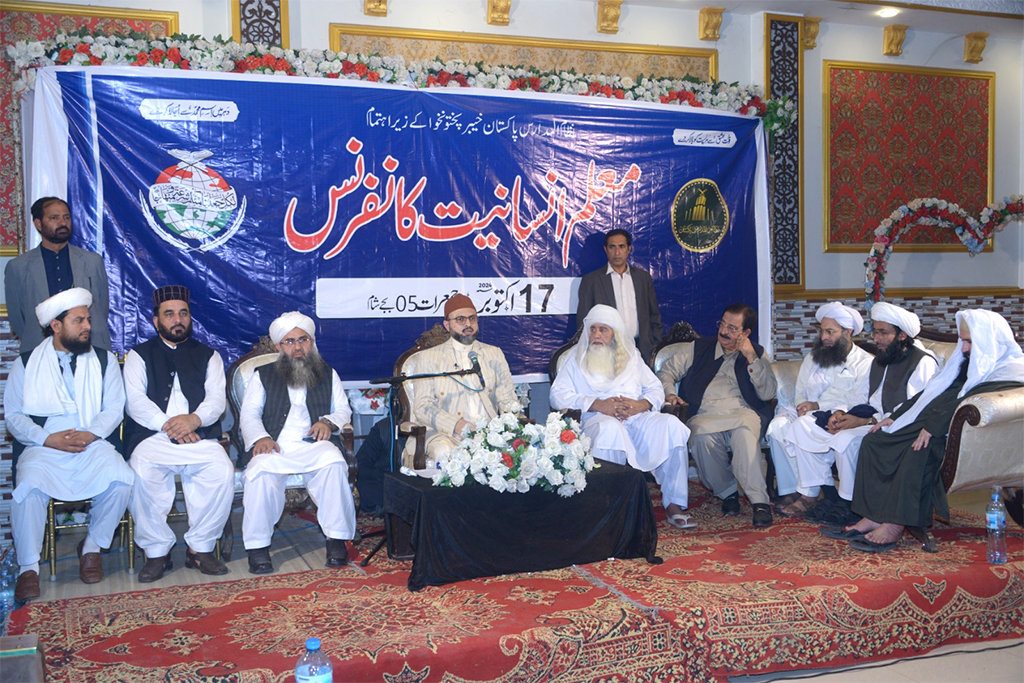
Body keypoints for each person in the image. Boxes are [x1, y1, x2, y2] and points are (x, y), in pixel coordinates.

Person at [843, 309, 1024, 552]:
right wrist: (895, 417)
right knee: (875, 441)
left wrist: (932, 428)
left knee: (917, 451)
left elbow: (968, 402)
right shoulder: (968, 362)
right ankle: (875, 514)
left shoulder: (1009, 371)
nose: (965, 349)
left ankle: (897, 522)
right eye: (963, 341)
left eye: (970, 342)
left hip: (951, 432)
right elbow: (931, 392)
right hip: (930, 420)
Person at [4, 288, 133, 602]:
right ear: (56, 326)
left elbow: (114, 408)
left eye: (87, 319)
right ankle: (29, 567)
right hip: (43, 446)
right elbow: (14, 416)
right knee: (29, 488)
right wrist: (47, 438)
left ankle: (91, 548)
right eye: (79, 320)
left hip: (91, 441)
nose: (87, 325)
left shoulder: (104, 360)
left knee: (121, 478)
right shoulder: (26, 364)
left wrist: (90, 435)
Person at [784, 302, 940, 527]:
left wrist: (866, 420)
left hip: (899, 427)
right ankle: (825, 495)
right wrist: (841, 413)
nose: (877, 339)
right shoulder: (881, 359)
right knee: (804, 425)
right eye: (875, 332)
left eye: (883, 333)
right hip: (872, 420)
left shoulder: (922, 362)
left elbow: (918, 409)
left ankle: (849, 505)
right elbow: (859, 398)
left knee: (846, 440)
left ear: (902, 335)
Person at [123, 286, 234, 582]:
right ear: (156, 320)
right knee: (142, 470)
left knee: (221, 469)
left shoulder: (209, 356)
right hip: (154, 436)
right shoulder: (138, 355)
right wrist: (169, 425)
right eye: (169, 314)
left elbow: (215, 400)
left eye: (183, 313)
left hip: (198, 434)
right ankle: (157, 552)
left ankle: (200, 548)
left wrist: (194, 420)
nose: (177, 320)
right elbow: (135, 402)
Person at [551, 304, 692, 527]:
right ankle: (609, 506)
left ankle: (674, 503)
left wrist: (641, 405)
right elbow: (558, 396)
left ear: (614, 334)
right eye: (593, 329)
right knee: (610, 430)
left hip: (636, 417)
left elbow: (655, 388)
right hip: (599, 419)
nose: (596, 335)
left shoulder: (631, 357)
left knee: (671, 425)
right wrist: (598, 404)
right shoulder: (576, 359)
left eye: (603, 330)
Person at [239, 312, 356, 574]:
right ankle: (258, 548)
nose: (297, 347)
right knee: (260, 473)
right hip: (275, 444)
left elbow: (343, 410)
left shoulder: (328, 372)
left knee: (335, 464)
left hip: (314, 444)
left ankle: (336, 539)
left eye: (302, 339)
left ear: (312, 342)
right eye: (289, 341)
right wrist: (260, 437)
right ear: (280, 346)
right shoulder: (263, 375)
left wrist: (327, 422)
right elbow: (249, 414)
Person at [657, 303, 778, 527]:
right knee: (701, 437)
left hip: (743, 413)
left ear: (746, 333)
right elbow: (666, 370)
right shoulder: (698, 347)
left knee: (743, 434)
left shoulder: (757, 353)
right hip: (704, 413)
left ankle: (759, 502)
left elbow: (768, 392)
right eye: (722, 324)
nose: (724, 331)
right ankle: (728, 492)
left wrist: (751, 357)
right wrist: (670, 394)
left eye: (732, 328)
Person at [767, 302, 873, 516]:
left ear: (848, 332)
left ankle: (812, 492)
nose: (824, 336)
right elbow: (800, 390)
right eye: (822, 331)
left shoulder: (865, 363)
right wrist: (802, 406)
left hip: (841, 416)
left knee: (803, 428)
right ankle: (793, 490)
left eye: (830, 332)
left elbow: (856, 401)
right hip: (809, 412)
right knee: (777, 428)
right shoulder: (814, 357)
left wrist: (818, 406)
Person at [408, 293, 520, 464]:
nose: (468, 324)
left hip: (489, 432)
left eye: (472, 319)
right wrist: (456, 424)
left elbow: (508, 399)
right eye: (460, 319)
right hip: (446, 434)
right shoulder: (428, 358)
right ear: (447, 325)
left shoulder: (493, 353)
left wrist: (509, 426)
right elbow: (423, 407)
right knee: (444, 453)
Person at [4, 197, 111, 351]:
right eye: (54, 218)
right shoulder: (18, 267)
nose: (62, 223)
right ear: (38, 224)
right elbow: (18, 320)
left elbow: (101, 308)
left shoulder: (92, 261)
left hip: (89, 348)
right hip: (39, 349)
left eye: (66, 217)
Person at [576, 229, 663, 363]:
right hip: (608, 351)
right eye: (612, 247)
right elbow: (584, 321)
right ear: (606, 249)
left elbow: (654, 315)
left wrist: (653, 343)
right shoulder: (592, 280)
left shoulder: (643, 278)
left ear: (629, 249)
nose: (617, 253)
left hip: (643, 350)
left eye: (621, 247)